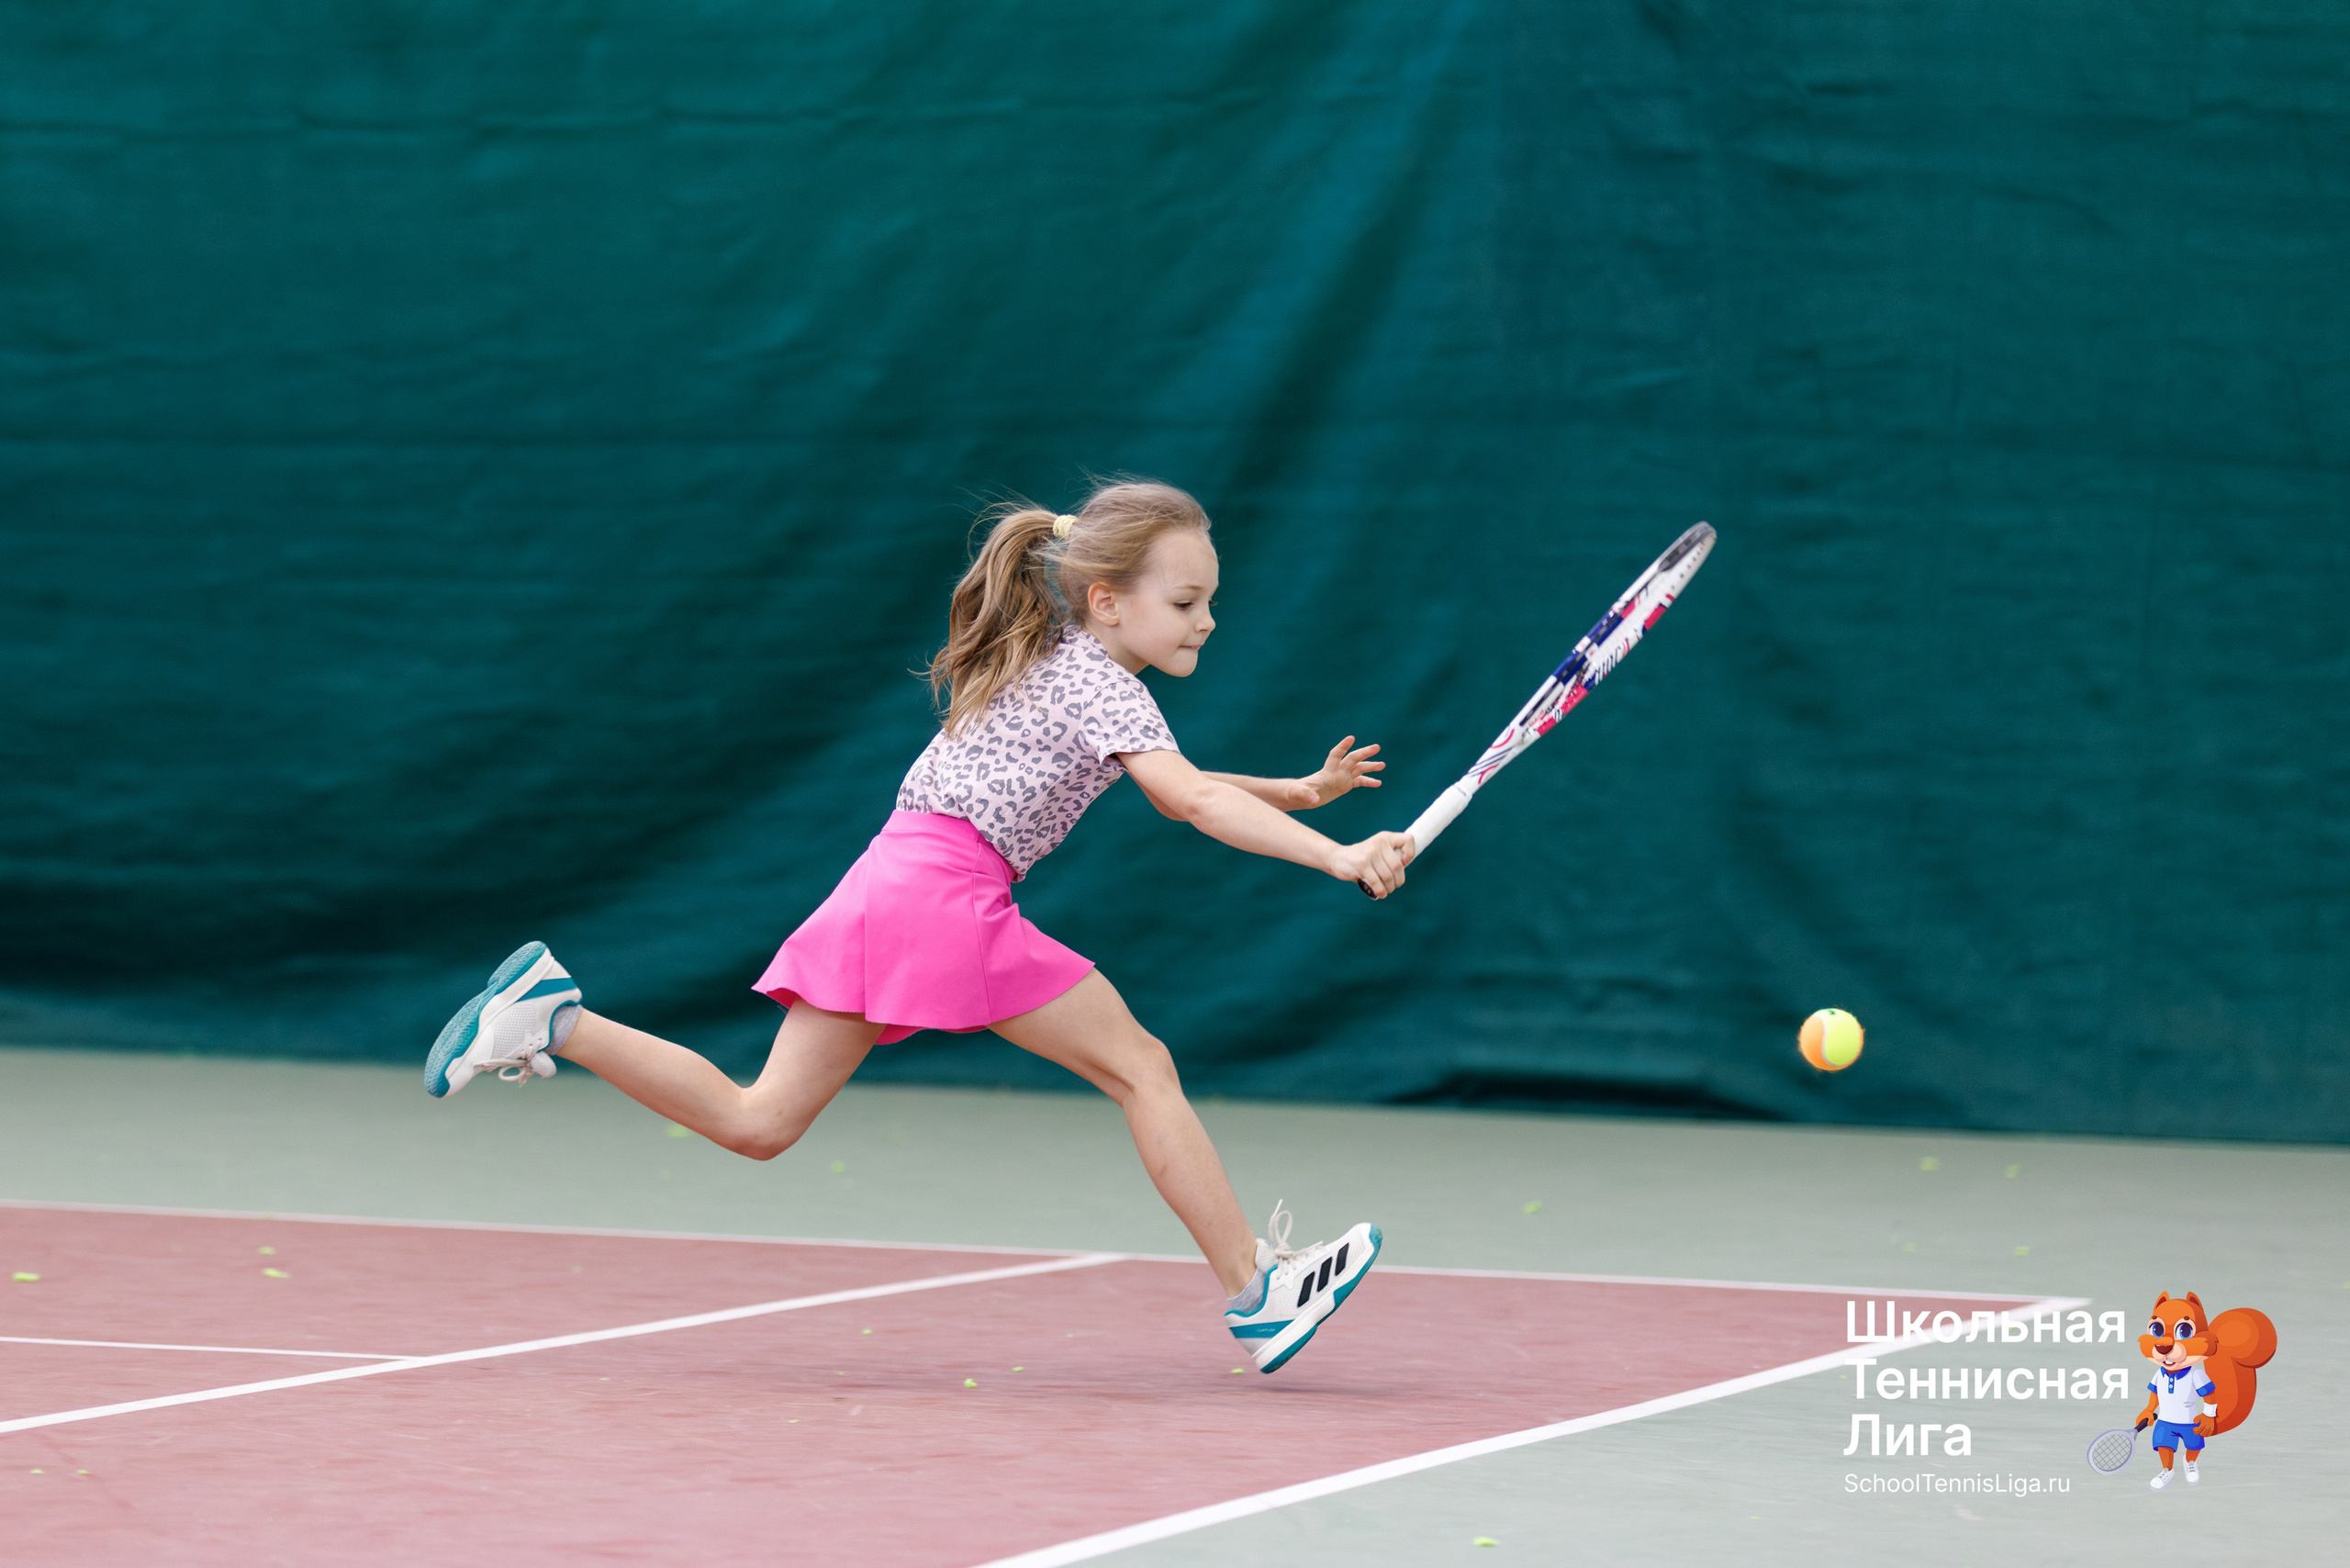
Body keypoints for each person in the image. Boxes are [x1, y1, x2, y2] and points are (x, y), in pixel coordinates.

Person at [423, 479, 1413, 1372]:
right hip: (944, 897)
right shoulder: (1099, 680)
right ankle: (1257, 1291)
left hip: (887, 883)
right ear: (1108, 601)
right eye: (1186, 602)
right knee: (1141, 1066)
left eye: (1208, 599)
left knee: (759, 1120)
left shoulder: (1061, 659)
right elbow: (1186, 798)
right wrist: (1334, 853)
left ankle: (554, 1017)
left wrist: (1294, 791)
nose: (1207, 619)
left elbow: (1173, 781)